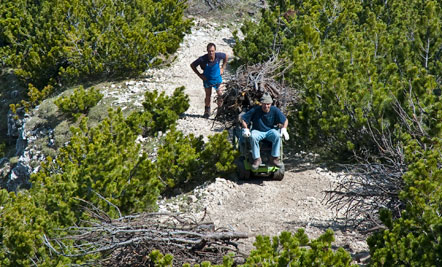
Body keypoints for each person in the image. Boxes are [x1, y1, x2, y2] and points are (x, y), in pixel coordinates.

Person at [241, 93, 289, 170]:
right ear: (261, 103)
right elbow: (243, 119)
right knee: (253, 136)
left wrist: (284, 129)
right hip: (258, 131)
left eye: (268, 104)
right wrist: (246, 128)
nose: (266, 106)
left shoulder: (274, 110)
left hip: (270, 130)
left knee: (277, 135)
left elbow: (285, 120)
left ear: (271, 104)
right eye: (264, 104)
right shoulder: (256, 110)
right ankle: (257, 159)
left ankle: (274, 158)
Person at [190, 43, 228, 118]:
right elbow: (192, 65)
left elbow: (226, 56)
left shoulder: (218, 56)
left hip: (217, 79)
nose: (211, 53)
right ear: (207, 51)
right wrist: (199, 75)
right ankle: (207, 111)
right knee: (208, 95)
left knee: (220, 94)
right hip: (207, 80)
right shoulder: (202, 59)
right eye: (209, 51)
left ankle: (219, 112)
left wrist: (223, 68)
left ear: (215, 50)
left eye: (212, 51)